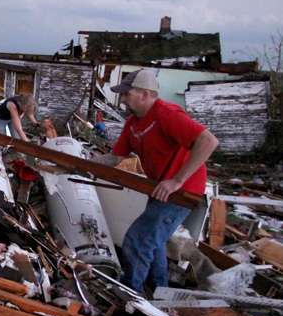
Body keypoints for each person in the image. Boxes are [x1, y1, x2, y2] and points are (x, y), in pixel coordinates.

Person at [93, 69, 219, 294]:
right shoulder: (133, 124)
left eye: (127, 94)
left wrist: (177, 180)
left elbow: (208, 141)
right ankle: (160, 291)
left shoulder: (167, 114)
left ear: (144, 94)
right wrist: (83, 163)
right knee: (155, 242)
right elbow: (115, 157)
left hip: (182, 192)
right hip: (160, 190)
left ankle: (132, 294)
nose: (122, 100)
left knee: (138, 239)